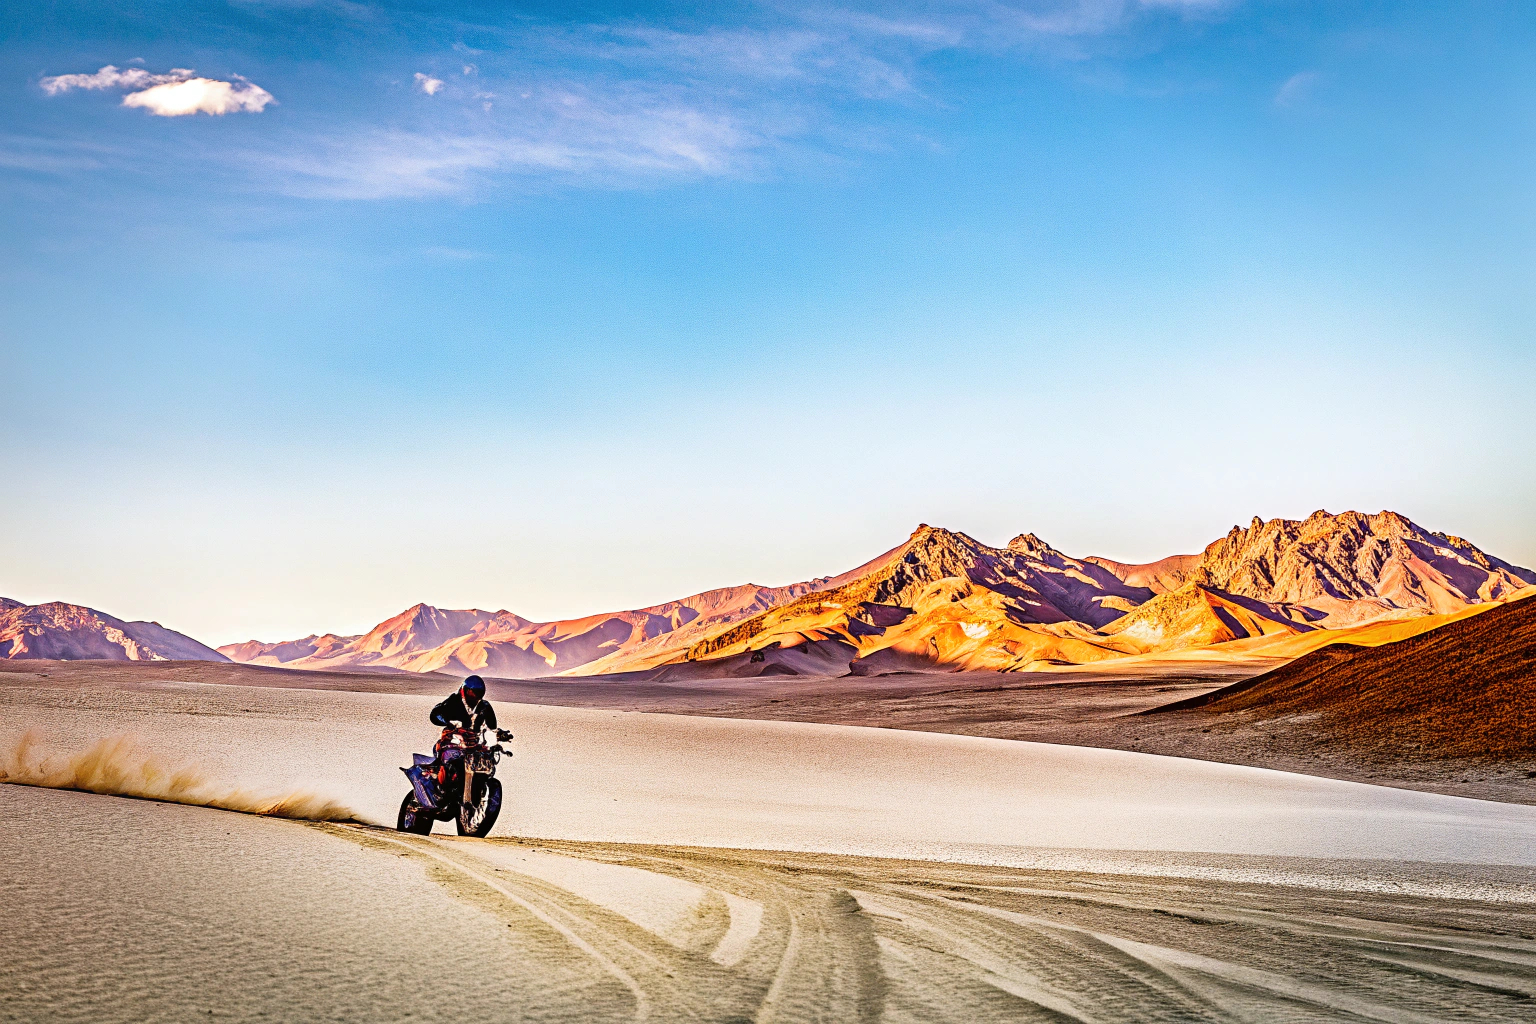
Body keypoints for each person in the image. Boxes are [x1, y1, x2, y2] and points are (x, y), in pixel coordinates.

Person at [430, 674, 498, 734]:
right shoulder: (453, 702)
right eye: (472, 693)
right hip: (454, 740)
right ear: (464, 690)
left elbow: (492, 727)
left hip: (475, 742)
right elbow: (435, 714)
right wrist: (447, 722)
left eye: (478, 693)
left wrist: (498, 734)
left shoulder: (484, 706)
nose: (475, 696)